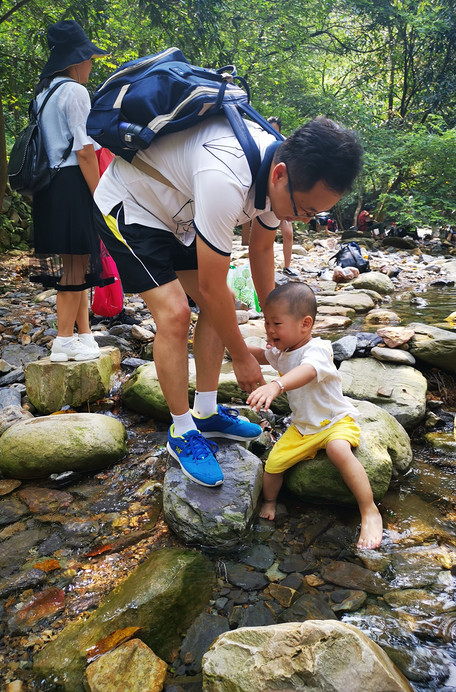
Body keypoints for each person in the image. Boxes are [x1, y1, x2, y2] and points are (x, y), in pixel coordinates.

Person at [94, 115, 363, 488]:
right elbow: (208, 285)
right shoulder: (226, 174)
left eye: (312, 214)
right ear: (281, 174)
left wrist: (275, 324)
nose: (301, 219)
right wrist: (239, 356)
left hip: (182, 215)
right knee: (175, 314)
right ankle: (183, 430)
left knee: (224, 301)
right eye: (302, 209)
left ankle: (205, 411)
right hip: (132, 207)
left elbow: (262, 246)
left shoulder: (275, 171)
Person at [247, 282, 382, 550]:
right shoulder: (282, 351)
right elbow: (262, 356)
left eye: (276, 323)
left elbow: (307, 371)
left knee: (338, 451)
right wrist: (235, 348)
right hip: (302, 428)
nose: (269, 330)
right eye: (266, 322)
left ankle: (369, 510)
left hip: (334, 422)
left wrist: (276, 385)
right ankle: (271, 501)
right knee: (273, 466)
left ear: (305, 324)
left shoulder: (317, 350)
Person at [30, 20, 109, 362]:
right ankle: (63, 340)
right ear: (76, 61)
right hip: (73, 183)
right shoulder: (75, 92)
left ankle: (85, 334)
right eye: (89, 57)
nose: (91, 63)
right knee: (76, 265)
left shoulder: (43, 94)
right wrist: (100, 194)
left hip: (50, 185)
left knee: (74, 262)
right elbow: (84, 150)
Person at [266, 117, 296, 277]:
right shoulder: (260, 143)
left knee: (288, 233)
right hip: (264, 195)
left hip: (281, 196)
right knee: (265, 238)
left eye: (275, 130)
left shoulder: (284, 145)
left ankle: (287, 265)